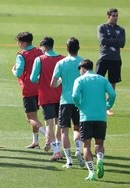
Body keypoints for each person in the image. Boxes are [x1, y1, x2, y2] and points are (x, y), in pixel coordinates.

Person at [72, 59, 116, 181]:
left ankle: (91, 172)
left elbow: (75, 95)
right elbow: (112, 94)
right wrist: (108, 106)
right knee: (99, 143)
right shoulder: (102, 79)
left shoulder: (80, 80)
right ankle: (100, 160)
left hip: (86, 117)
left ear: (82, 69)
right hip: (101, 117)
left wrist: (79, 105)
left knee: (86, 146)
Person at [51, 37, 85, 168]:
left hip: (65, 101)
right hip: (79, 101)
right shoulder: (82, 62)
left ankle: (69, 161)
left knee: (64, 131)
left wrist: (61, 81)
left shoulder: (61, 63)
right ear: (79, 48)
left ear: (67, 48)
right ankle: (78, 150)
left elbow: (53, 84)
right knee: (78, 128)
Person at [30, 36, 64, 160]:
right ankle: (58, 149)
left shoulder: (40, 59)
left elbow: (33, 79)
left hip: (46, 96)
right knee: (59, 124)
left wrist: (42, 79)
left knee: (49, 125)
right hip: (61, 96)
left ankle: (56, 152)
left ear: (44, 47)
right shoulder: (62, 59)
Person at [12, 31, 46, 149]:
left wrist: (13, 70)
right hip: (40, 88)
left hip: (28, 89)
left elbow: (19, 72)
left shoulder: (22, 55)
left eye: (19, 42)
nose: (18, 44)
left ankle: (48, 137)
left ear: (25, 43)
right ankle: (35, 142)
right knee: (35, 116)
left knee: (30, 118)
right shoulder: (39, 51)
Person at [96, 8, 125, 116]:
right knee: (98, 81)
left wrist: (110, 40)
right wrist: (115, 40)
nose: (115, 17)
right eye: (113, 15)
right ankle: (99, 104)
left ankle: (108, 106)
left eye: (116, 15)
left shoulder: (121, 29)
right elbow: (103, 40)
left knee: (112, 83)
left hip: (115, 59)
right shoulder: (102, 27)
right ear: (108, 16)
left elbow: (122, 43)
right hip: (104, 57)